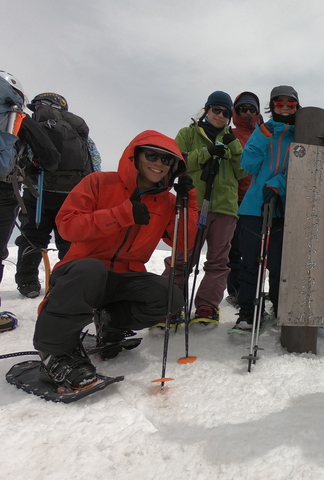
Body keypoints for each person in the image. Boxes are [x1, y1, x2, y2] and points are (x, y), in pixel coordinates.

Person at [33, 130, 197, 389]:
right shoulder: (99, 182)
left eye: (167, 160)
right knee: (91, 270)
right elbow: (67, 226)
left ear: (173, 167)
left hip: (123, 277)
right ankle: (54, 352)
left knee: (169, 297)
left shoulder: (168, 203)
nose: (158, 163)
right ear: (136, 156)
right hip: (81, 270)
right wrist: (122, 214)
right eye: (152, 155)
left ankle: (110, 322)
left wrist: (189, 204)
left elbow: (184, 243)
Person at [162, 91, 246, 326]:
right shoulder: (188, 134)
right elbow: (176, 163)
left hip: (225, 208)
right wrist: (205, 153)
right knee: (181, 258)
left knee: (218, 261)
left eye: (226, 112)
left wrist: (234, 149)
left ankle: (207, 306)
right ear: (207, 109)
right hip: (193, 205)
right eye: (216, 110)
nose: (221, 115)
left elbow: (243, 171)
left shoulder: (232, 139)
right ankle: (169, 305)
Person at [15, 92, 102, 299]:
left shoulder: (35, 123)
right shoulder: (78, 128)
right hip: (72, 194)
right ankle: (67, 280)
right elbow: (94, 159)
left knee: (32, 237)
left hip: (38, 192)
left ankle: (28, 282)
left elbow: (21, 153)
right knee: (69, 239)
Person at [232, 85, 299, 332]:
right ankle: (249, 311)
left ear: (296, 106)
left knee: (280, 264)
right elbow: (248, 165)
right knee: (250, 261)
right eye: (278, 102)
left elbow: (302, 169)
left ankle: (280, 307)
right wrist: (261, 136)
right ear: (272, 106)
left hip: (284, 208)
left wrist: (278, 183)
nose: (284, 106)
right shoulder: (263, 131)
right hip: (253, 207)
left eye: (290, 103)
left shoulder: (303, 135)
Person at [0, 71, 60, 323]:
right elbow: (51, 156)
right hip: (5, 189)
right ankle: (61, 287)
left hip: (29, 194)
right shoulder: (16, 115)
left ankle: (27, 282)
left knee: (32, 236)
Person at [226, 91, 262, 307]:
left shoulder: (264, 133)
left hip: (259, 199)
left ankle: (253, 290)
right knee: (235, 250)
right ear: (235, 111)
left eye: (252, 109)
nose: (247, 112)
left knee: (258, 251)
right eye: (242, 109)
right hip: (235, 199)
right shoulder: (229, 133)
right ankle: (236, 291)